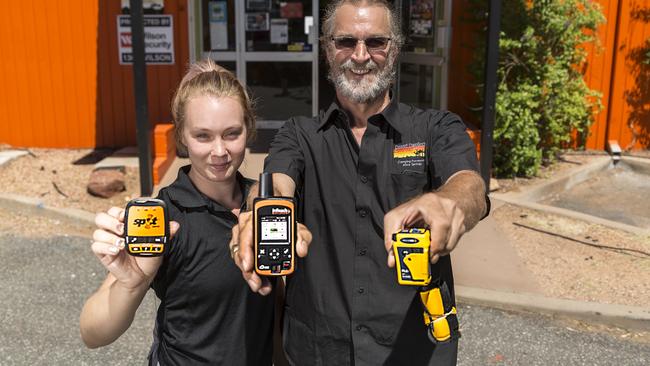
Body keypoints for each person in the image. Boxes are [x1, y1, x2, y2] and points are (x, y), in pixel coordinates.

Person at [230, 1, 489, 365]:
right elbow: (277, 183)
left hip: (413, 349)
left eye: (377, 42)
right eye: (346, 42)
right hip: (318, 350)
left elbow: (470, 186)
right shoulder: (300, 134)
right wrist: (261, 213)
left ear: (395, 49)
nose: (361, 55)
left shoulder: (436, 128)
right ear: (326, 49)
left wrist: (448, 200)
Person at [79, 60, 299, 365]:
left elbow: (271, 304)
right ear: (182, 136)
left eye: (231, 133)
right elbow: (93, 333)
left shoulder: (264, 207)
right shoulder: (166, 216)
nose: (219, 151)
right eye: (203, 136)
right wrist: (131, 284)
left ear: (248, 129)